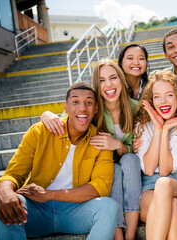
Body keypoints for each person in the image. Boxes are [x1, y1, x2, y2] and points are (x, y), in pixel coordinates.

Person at [0, 81, 119, 240]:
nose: (82, 108)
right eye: (75, 102)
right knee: (8, 205)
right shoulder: (40, 132)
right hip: (35, 211)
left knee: (109, 207)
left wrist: (49, 194)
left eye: (88, 102)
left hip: (76, 211)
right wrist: (4, 192)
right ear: (65, 108)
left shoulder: (101, 141)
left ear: (95, 109)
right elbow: (13, 174)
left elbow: (100, 187)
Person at [41, 59, 141, 240]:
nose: (108, 84)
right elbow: (66, 118)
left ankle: (131, 234)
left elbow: (137, 149)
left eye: (113, 78)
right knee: (115, 169)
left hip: (129, 164)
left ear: (122, 80)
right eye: (102, 80)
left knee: (130, 160)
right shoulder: (91, 108)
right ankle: (118, 233)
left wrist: (117, 145)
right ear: (97, 85)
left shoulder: (135, 108)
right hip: (100, 168)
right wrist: (46, 115)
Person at [134, 71, 177, 239]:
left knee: (164, 185)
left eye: (169, 95)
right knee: (173, 208)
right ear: (152, 100)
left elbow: (164, 171)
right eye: (157, 97)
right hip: (148, 188)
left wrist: (167, 128)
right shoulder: (142, 125)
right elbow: (148, 169)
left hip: (176, 185)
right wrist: (159, 129)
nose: (163, 101)